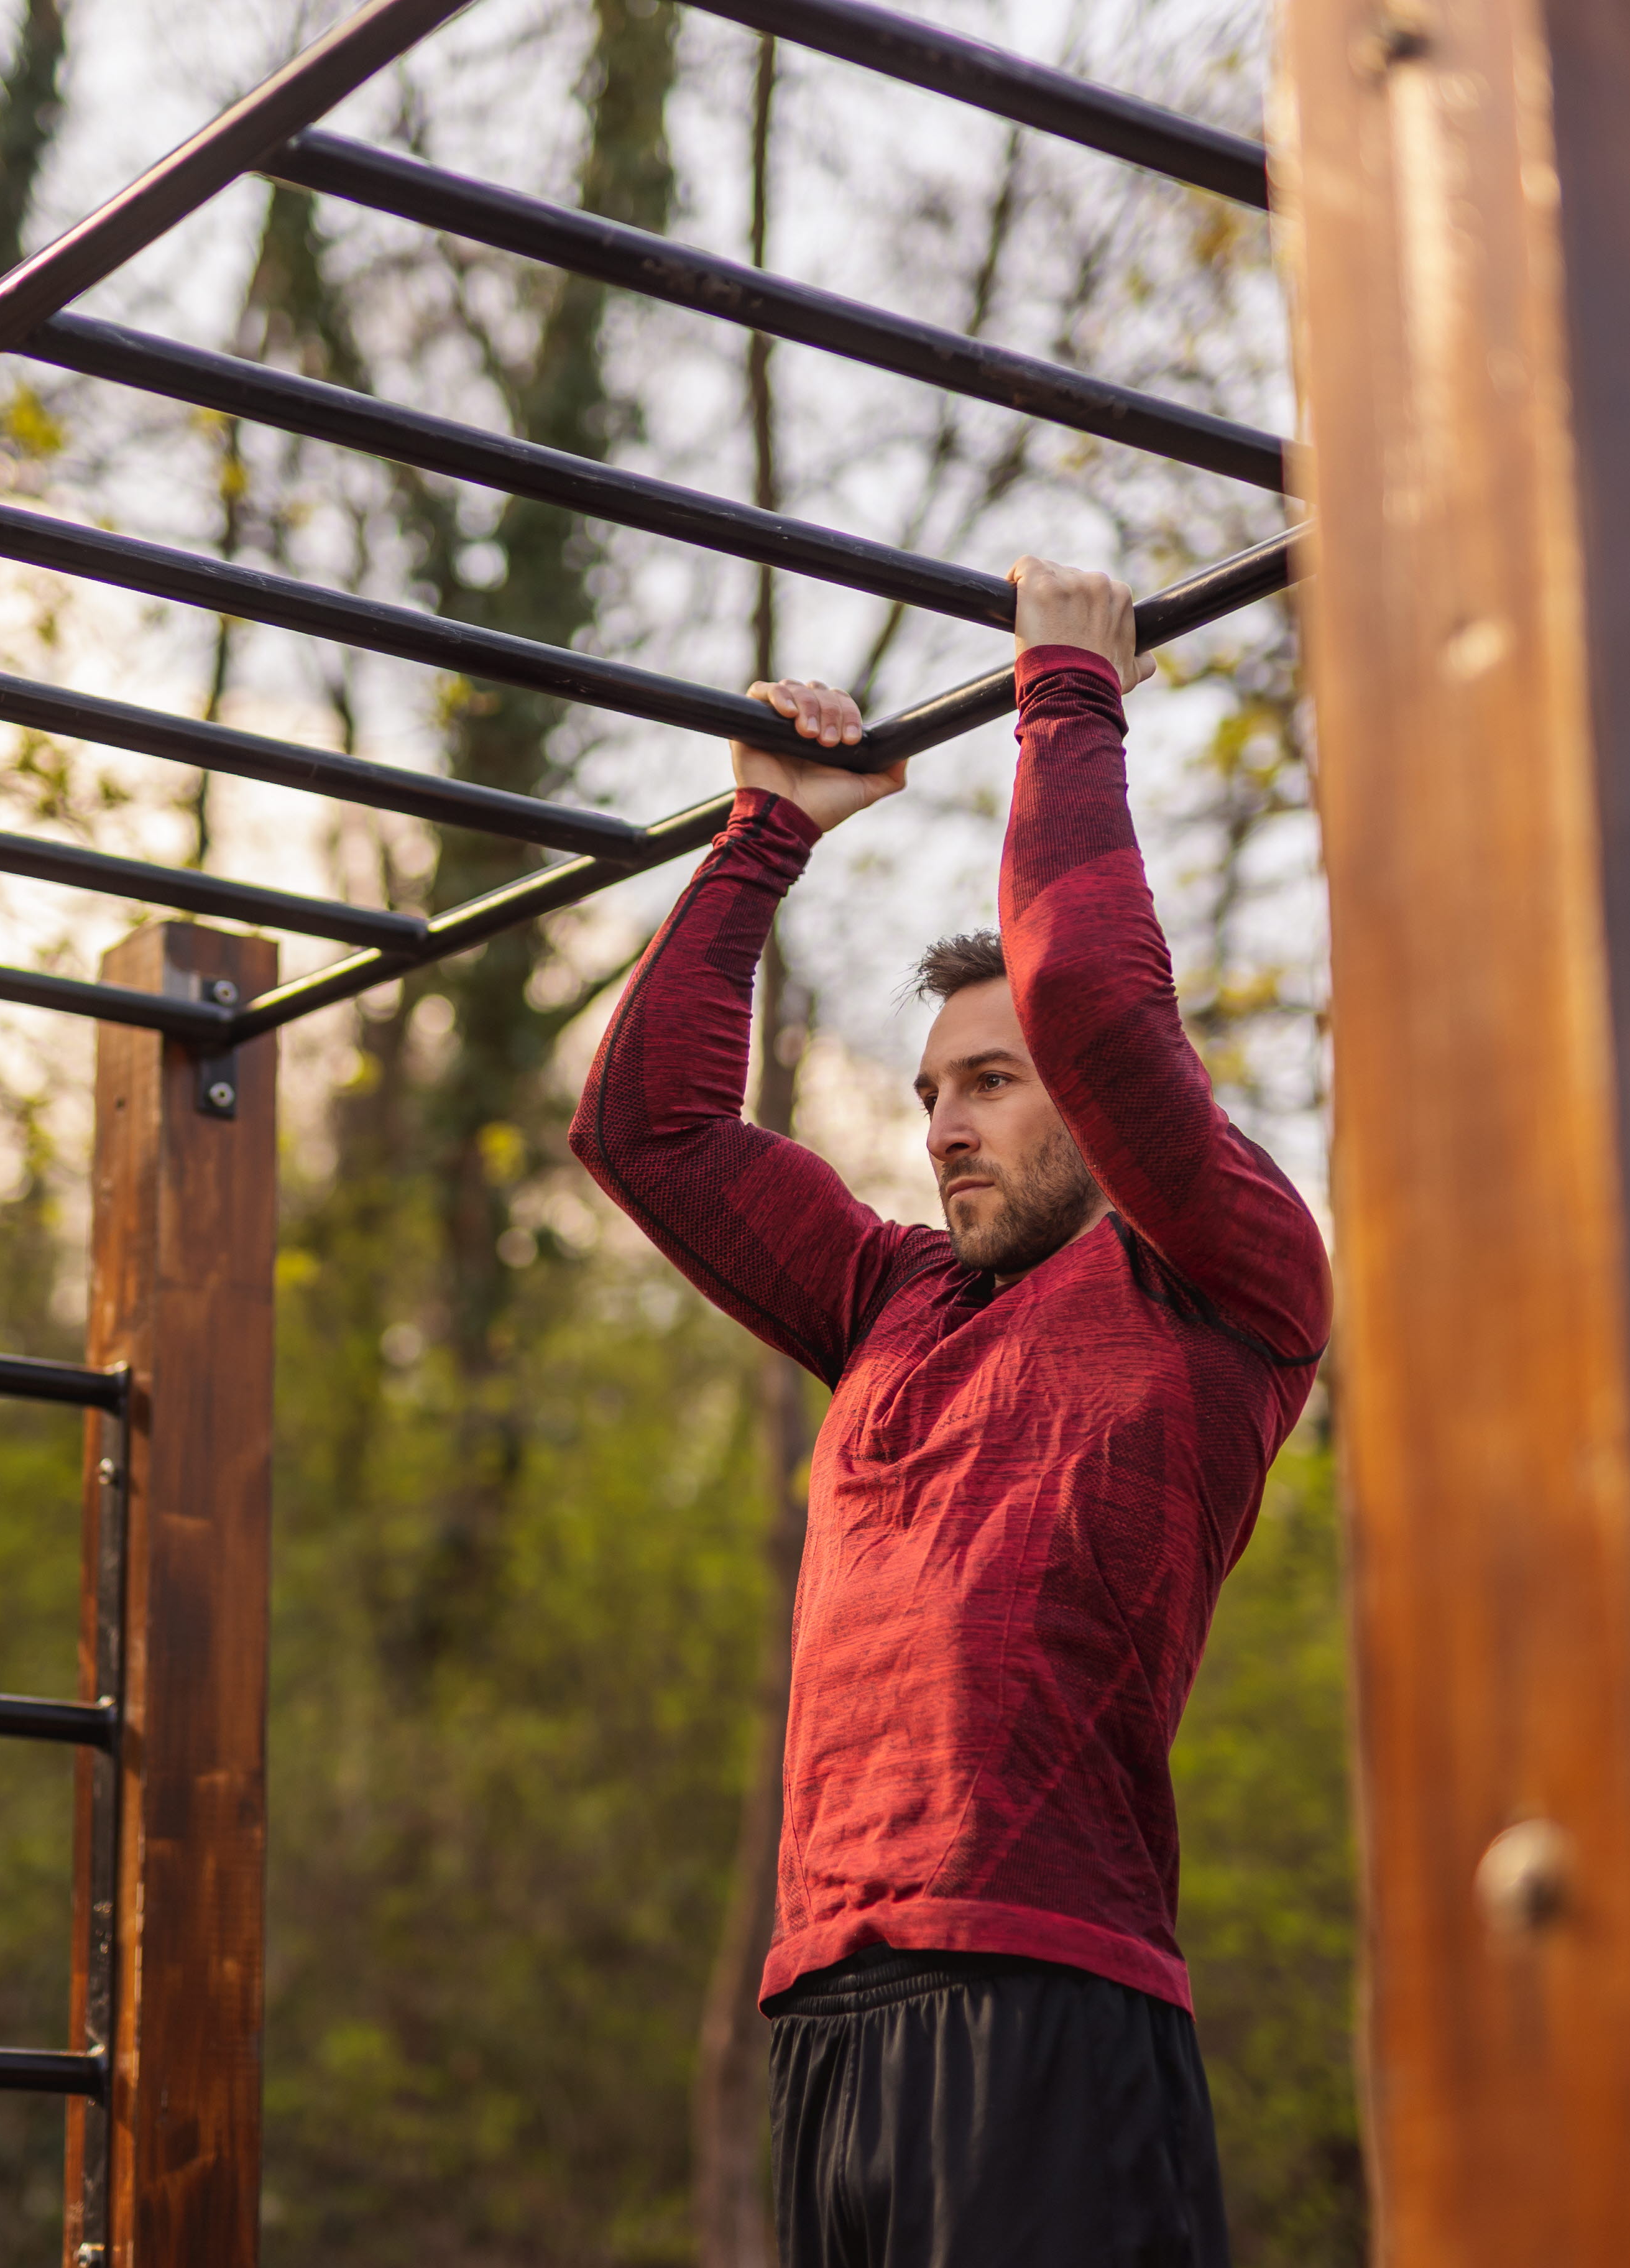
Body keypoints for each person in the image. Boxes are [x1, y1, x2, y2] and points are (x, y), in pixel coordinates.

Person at [567, 557, 1330, 2267]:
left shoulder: (1222, 1272)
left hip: (1045, 1993)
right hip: (826, 2011)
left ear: (1103, 1113)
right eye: (929, 1094)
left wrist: (1069, 699)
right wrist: (765, 834)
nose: (944, 1129)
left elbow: (1096, 1005)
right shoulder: (889, 1301)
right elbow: (644, 1132)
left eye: (991, 1082)